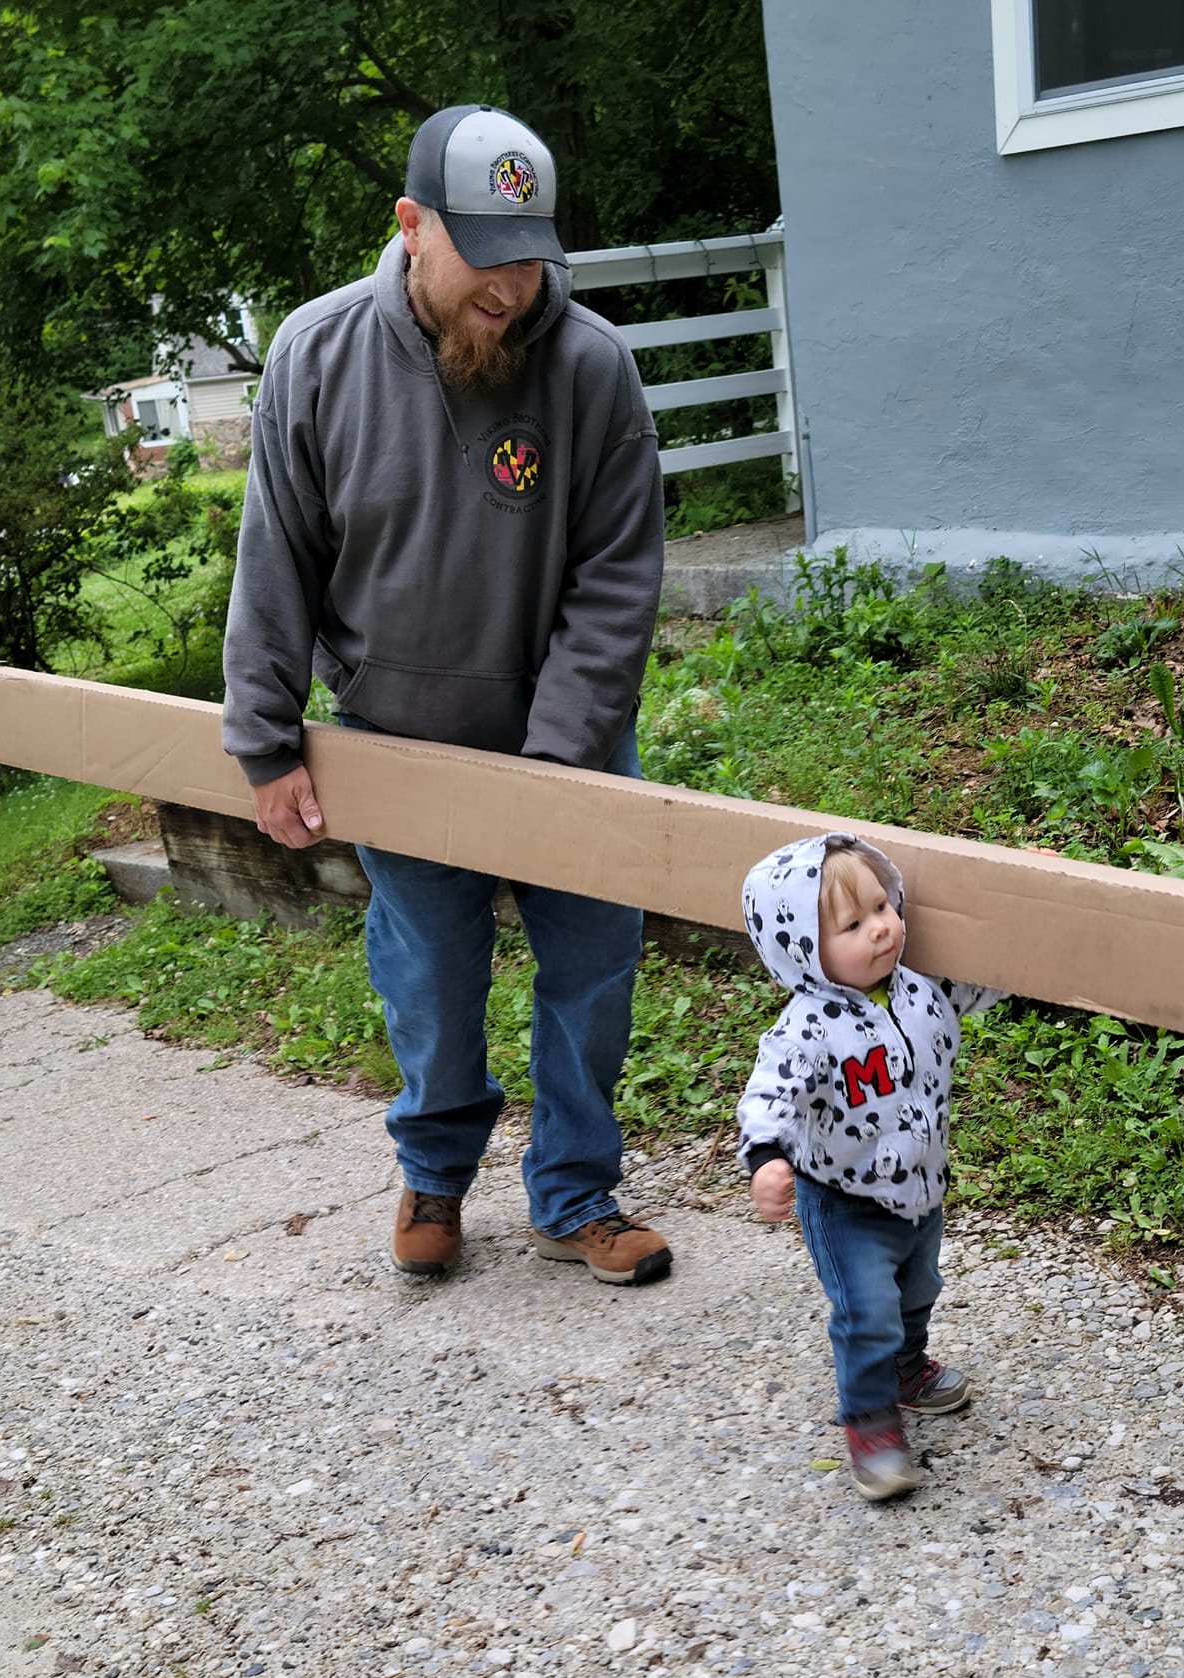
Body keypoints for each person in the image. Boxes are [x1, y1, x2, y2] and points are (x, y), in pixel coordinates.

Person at [221, 104, 672, 1287]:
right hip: (401, 745)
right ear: (411, 225)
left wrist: (558, 755)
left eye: (532, 256)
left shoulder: (591, 368)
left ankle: (575, 1193)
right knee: (426, 979)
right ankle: (434, 1173)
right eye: (487, 254)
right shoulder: (314, 359)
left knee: (590, 977)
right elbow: (276, 565)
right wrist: (266, 744)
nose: (513, 287)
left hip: (564, 744)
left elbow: (616, 577)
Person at [736, 834, 1001, 1499]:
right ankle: (870, 1423)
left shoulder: (923, 991)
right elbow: (771, 1093)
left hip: (919, 1188)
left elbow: (1000, 974)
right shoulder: (806, 1026)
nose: (881, 929)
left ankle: (905, 1371)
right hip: (843, 1198)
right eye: (852, 925)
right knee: (867, 1311)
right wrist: (766, 1156)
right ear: (801, 949)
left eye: (882, 907)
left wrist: (1036, 907)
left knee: (918, 1291)